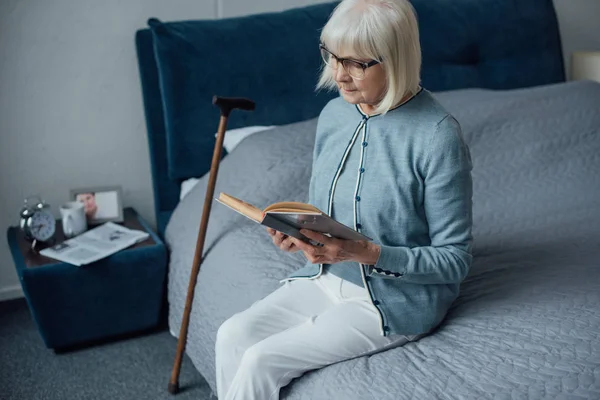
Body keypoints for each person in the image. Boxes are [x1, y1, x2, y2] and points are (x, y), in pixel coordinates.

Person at [215, 1, 473, 399]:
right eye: (333, 57)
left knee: (260, 360)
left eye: (356, 64)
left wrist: (368, 252)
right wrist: (297, 235)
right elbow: (325, 215)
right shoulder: (335, 114)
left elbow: (454, 260)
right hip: (325, 277)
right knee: (231, 334)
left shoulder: (437, 136)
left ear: (396, 59)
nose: (338, 75)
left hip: (394, 300)